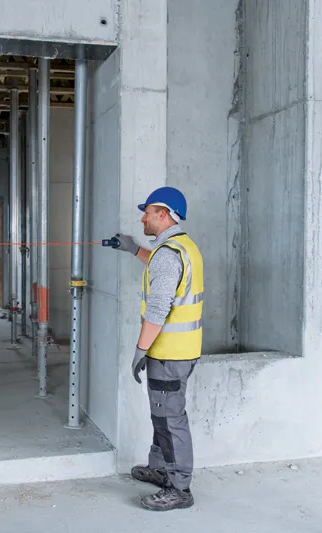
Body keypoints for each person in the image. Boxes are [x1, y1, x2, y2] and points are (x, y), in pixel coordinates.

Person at [111, 186, 204, 512]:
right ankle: (160, 468)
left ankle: (179, 488)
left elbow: (158, 308)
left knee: (170, 419)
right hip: (178, 349)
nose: (142, 217)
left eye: (147, 212)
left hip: (170, 352)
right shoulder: (179, 247)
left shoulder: (169, 253)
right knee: (161, 414)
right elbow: (160, 266)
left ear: (163, 214)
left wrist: (140, 348)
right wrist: (134, 249)